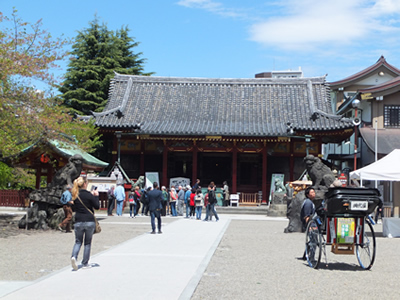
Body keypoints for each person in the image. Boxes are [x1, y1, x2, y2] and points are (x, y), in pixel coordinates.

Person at [70, 176, 99, 270]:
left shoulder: (75, 195)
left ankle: (74, 256)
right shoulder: (89, 195)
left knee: (78, 241)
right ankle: (85, 263)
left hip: (78, 220)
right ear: (85, 184)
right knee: (87, 243)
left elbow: (74, 208)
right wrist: (96, 196)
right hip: (89, 220)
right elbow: (97, 206)